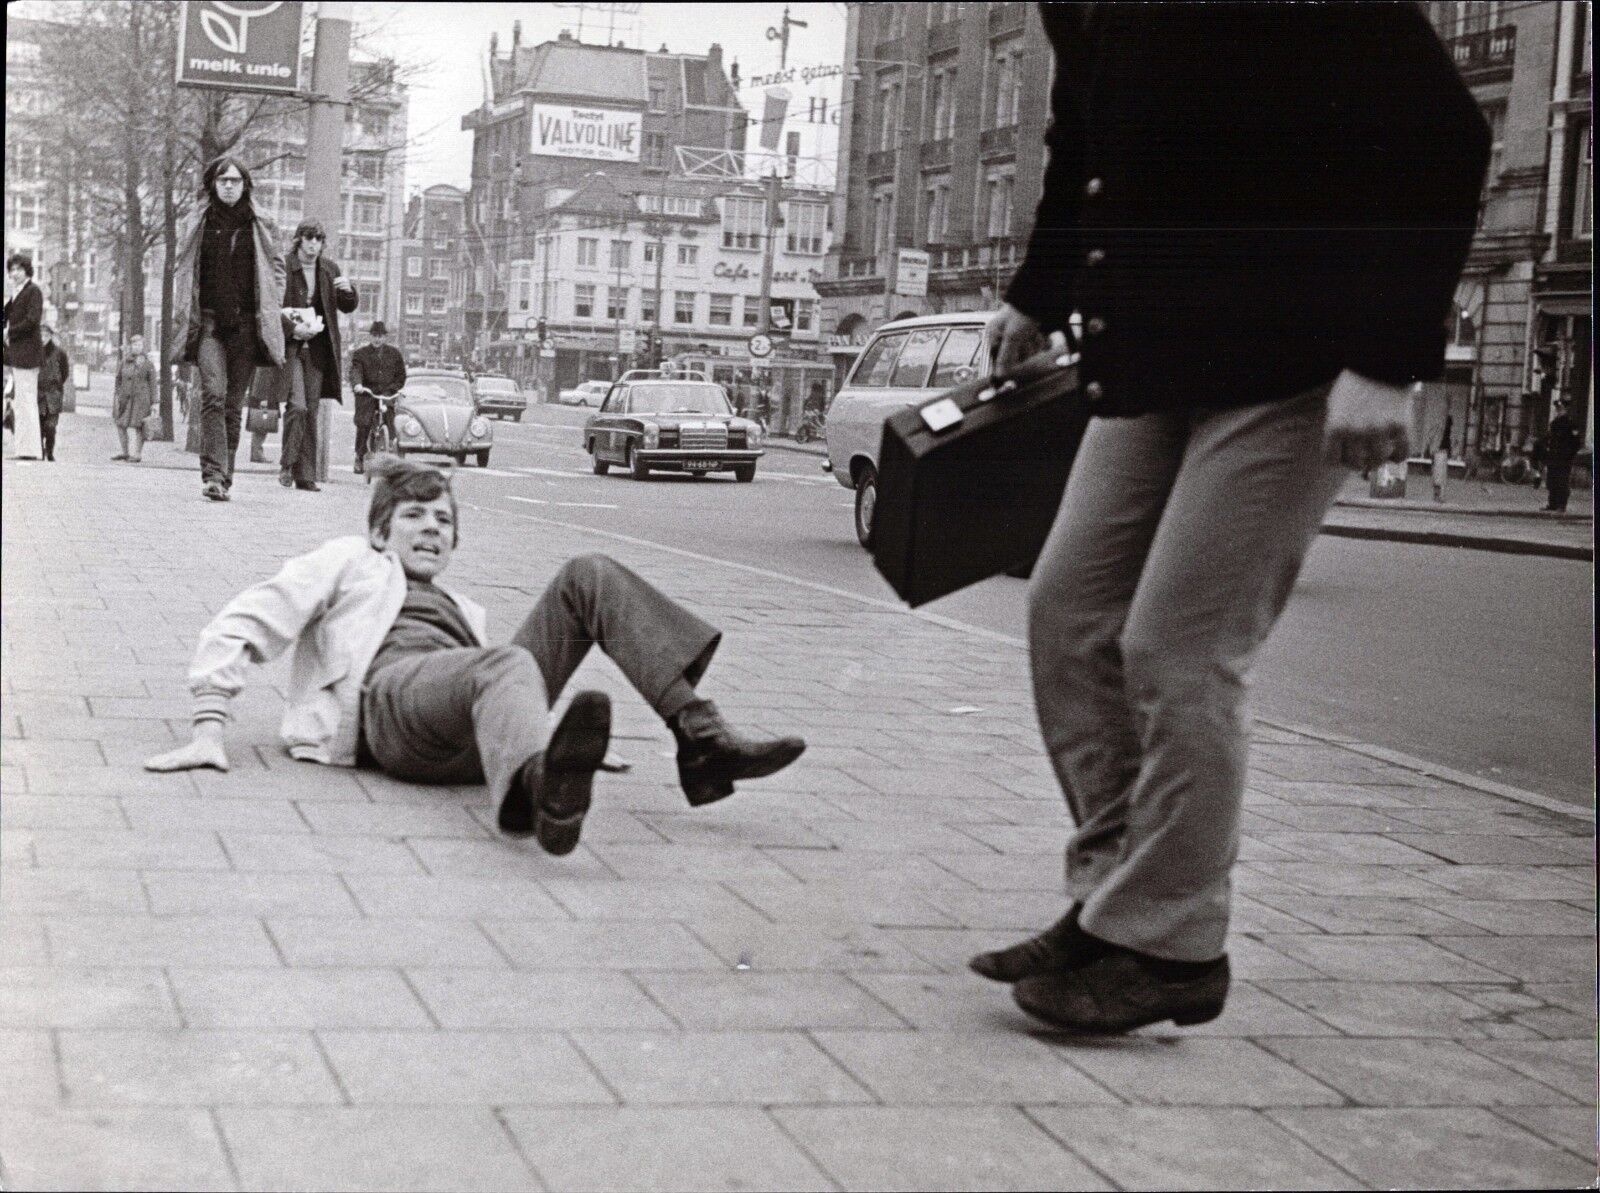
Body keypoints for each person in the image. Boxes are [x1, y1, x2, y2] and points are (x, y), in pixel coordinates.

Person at [972, 4, 1490, 1034]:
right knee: (1068, 617)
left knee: (1179, 647)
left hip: (1295, 365)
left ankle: (1169, 944)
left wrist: (1389, 357)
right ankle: (1113, 898)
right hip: (1158, 354)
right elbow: (1084, 139)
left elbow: (1444, 131)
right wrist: (1036, 291)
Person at [143, 455, 807, 854]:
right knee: (505, 663)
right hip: (392, 708)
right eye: (415, 515)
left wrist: (541, 729)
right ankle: (538, 789)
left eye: (445, 520)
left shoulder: (462, 608)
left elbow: (493, 685)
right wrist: (209, 722)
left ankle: (699, 737)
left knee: (588, 573)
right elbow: (250, 617)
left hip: (463, 718)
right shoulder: (352, 563)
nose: (433, 526)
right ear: (379, 530)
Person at [173, 156, 286, 502]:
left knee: (233, 406)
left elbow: (277, 268)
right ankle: (212, 474)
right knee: (212, 394)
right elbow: (183, 266)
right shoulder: (197, 222)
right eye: (223, 180)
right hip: (208, 321)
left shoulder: (262, 223)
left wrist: (272, 303)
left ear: (245, 185)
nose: (229, 186)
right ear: (213, 184)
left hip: (247, 326)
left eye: (235, 181)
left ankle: (224, 477)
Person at [279, 219, 358, 492]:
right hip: (290, 349)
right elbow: (270, 306)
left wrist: (350, 290)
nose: (313, 244)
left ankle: (306, 475)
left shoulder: (329, 269)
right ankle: (287, 464)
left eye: (318, 239)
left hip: (317, 351)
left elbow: (346, 306)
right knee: (297, 407)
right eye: (309, 238)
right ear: (299, 239)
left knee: (311, 411)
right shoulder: (285, 266)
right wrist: (293, 328)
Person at [350, 320, 406, 474]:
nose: (377, 339)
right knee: (364, 423)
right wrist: (358, 385)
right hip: (367, 394)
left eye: (380, 336)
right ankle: (359, 457)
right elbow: (356, 371)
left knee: (391, 421)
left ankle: (391, 455)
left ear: (385, 337)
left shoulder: (394, 354)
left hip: (387, 393)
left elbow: (401, 376)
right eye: (374, 336)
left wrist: (393, 389)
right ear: (370, 336)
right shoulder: (360, 354)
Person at [3, 253, 45, 461]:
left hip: (28, 354)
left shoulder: (33, 291)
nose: (14, 273)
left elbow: (32, 320)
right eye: (12, 269)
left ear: (27, 270)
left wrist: (9, 332)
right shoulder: (18, 292)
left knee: (27, 401)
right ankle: (24, 448)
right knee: (22, 402)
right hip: (20, 354)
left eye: (19, 269)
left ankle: (30, 450)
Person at [111, 333, 157, 464]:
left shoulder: (148, 364)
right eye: (135, 344)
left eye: (140, 344)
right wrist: (118, 394)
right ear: (131, 346)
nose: (137, 347)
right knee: (120, 424)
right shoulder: (124, 362)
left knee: (139, 426)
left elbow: (153, 384)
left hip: (141, 400)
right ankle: (125, 452)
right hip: (125, 399)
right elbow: (118, 379)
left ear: (143, 346)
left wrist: (154, 403)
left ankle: (137, 454)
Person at [37, 323, 70, 463]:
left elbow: (65, 372)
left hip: (53, 395)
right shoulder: (34, 352)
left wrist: (56, 385)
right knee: (38, 426)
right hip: (38, 394)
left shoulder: (60, 353)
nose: (43, 338)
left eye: (46, 335)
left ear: (50, 336)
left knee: (50, 427)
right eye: (41, 335)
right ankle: (39, 451)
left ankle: (49, 451)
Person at [1544, 399, 1580, 513]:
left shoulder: (1570, 423)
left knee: (1562, 481)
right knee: (1552, 480)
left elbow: (1576, 442)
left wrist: (1569, 455)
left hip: (1564, 458)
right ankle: (1552, 503)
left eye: (1560, 409)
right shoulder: (1554, 423)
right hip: (1553, 456)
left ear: (1565, 410)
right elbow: (1550, 440)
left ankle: (1561, 505)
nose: (1558, 411)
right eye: (1557, 409)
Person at [1431, 413, 1454, 503]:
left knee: (1437, 477)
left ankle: (1437, 495)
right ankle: (1439, 496)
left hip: (1438, 454)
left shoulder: (1439, 430)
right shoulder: (1445, 433)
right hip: (1441, 455)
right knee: (1440, 477)